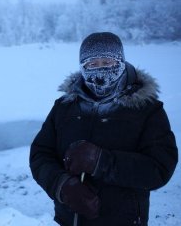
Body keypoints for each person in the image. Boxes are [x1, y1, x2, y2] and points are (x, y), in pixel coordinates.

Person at [29, 32, 178, 226]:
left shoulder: (147, 110)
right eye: (92, 64)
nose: (100, 71)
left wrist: (102, 162)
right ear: (83, 68)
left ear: (121, 62)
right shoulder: (64, 107)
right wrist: (62, 185)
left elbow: (159, 168)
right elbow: (40, 154)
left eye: (107, 62)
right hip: (69, 220)